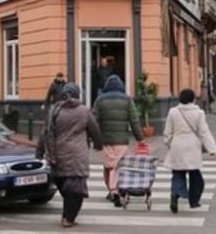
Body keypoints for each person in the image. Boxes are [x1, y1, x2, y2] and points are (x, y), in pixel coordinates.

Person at [36, 83, 103, 228]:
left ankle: (66, 216)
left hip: (56, 157)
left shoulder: (54, 111)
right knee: (76, 191)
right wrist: (98, 145)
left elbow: (44, 133)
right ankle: (68, 218)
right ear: (78, 94)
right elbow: (95, 131)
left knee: (66, 188)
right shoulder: (84, 111)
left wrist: (39, 152)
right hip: (77, 158)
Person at [164, 89, 216, 214]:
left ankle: (175, 195)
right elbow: (204, 132)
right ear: (193, 99)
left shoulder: (173, 112)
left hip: (177, 146)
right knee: (196, 176)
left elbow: (168, 132)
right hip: (193, 147)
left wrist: (168, 143)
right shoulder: (199, 113)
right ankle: (194, 201)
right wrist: (213, 149)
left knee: (178, 174)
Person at [92, 75, 144, 206]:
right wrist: (140, 138)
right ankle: (116, 190)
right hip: (122, 140)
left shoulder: (99, 100)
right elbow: (134, 120)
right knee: (119, 166)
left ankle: (112, 190)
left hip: (105, 140)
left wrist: (94, 139)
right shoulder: (127, 100)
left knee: (108, 166)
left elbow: (93, 122)